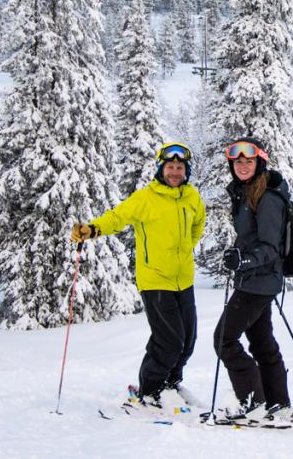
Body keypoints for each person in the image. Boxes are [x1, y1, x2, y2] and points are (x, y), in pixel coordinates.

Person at [71, 142, 205, 407]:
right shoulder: (145, 198)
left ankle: (170, 385)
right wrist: (93, 229)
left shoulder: (192, 197)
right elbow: (117, 217)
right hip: (155, 281)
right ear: (161, 169)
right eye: (170, 167)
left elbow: (199, 221)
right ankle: (150, 391)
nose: (175, 172)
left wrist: (188, 245)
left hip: (184, 280)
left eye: (180, 167)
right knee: (169, 341)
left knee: (187, 341)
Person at [214, 137, 293, 419]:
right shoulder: (246, 192)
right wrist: (238, 256)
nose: (243, 166)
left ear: (259, 162)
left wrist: (244, 260)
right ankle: (278, 404)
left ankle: (253, 401)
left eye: (248, 161)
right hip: (256, 280)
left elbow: (269, 246)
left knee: (223, 339)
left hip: (258, 281)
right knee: (262, 344)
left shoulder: (268, 197)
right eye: (238, 161)